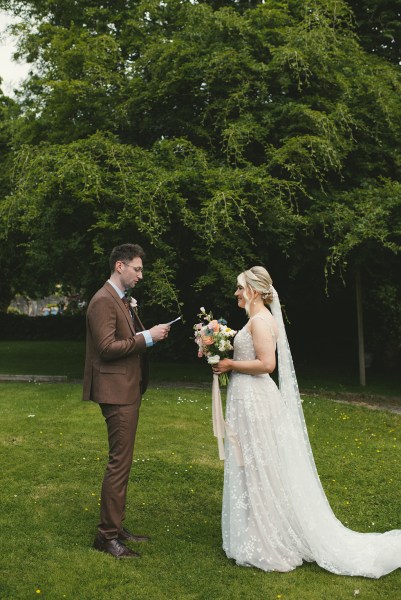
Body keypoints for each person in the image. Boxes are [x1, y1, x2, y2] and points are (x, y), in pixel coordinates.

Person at [212, 266, 401, 578]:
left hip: (256, 400)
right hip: (248, 399)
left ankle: (268, 539)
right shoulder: (255, 320)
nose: (236, 293)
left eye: (240, 288)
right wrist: (215, 347)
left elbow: (266, 364)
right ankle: (257, 531)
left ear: (255, 292)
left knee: (260, 466)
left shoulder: (260, 321)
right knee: (254, 465)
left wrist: (231, 363)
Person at [83, 243, 171, 559]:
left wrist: (147, 333)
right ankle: (106, 537)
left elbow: (123, 338)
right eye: (137, 268)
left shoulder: (120, 300)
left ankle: (115, 527)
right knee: (119, 463)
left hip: (128, 388)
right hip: (115, 392)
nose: (141, 275)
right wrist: (148, 337)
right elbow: (107, 347)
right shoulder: (102, 301)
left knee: (123, 461)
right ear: (120, 266)